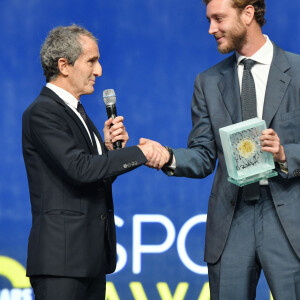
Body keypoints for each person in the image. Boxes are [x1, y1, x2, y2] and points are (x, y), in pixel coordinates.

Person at [141, 0, 300, 299]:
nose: (211, 29)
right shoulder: (208, 82)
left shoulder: (299, 72)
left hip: (289, 219)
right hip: (232, 219)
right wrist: (168, 156)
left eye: (218, 18)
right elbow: (202, 155)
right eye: (209, 19)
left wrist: (283, 154)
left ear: (248, 13)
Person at [22, 25, 165, 300]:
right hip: (60, 264)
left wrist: (109, 150)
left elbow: (93, 177)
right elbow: (80, 169)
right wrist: (140, 153)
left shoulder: (77, 112)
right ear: (64, 65)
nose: (98, 71)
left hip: (90, 260)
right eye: (91, 61)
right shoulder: (42, 112)